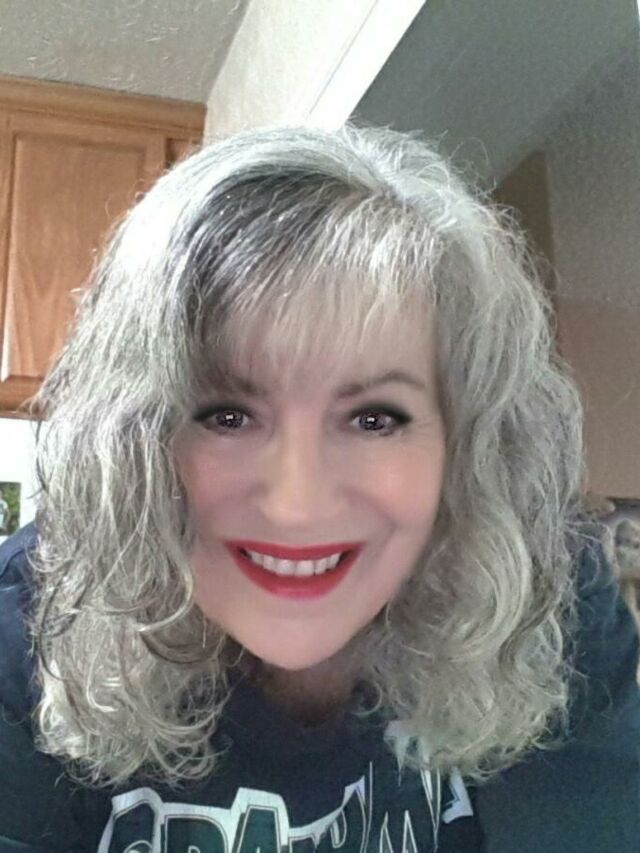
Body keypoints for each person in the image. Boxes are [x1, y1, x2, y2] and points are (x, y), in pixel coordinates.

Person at [0, 123, 638, 853]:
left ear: (464, 444)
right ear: (138, 439)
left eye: (374, 418)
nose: (296, 505)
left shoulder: (548, 599)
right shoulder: (31, 627)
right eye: (227, 415)